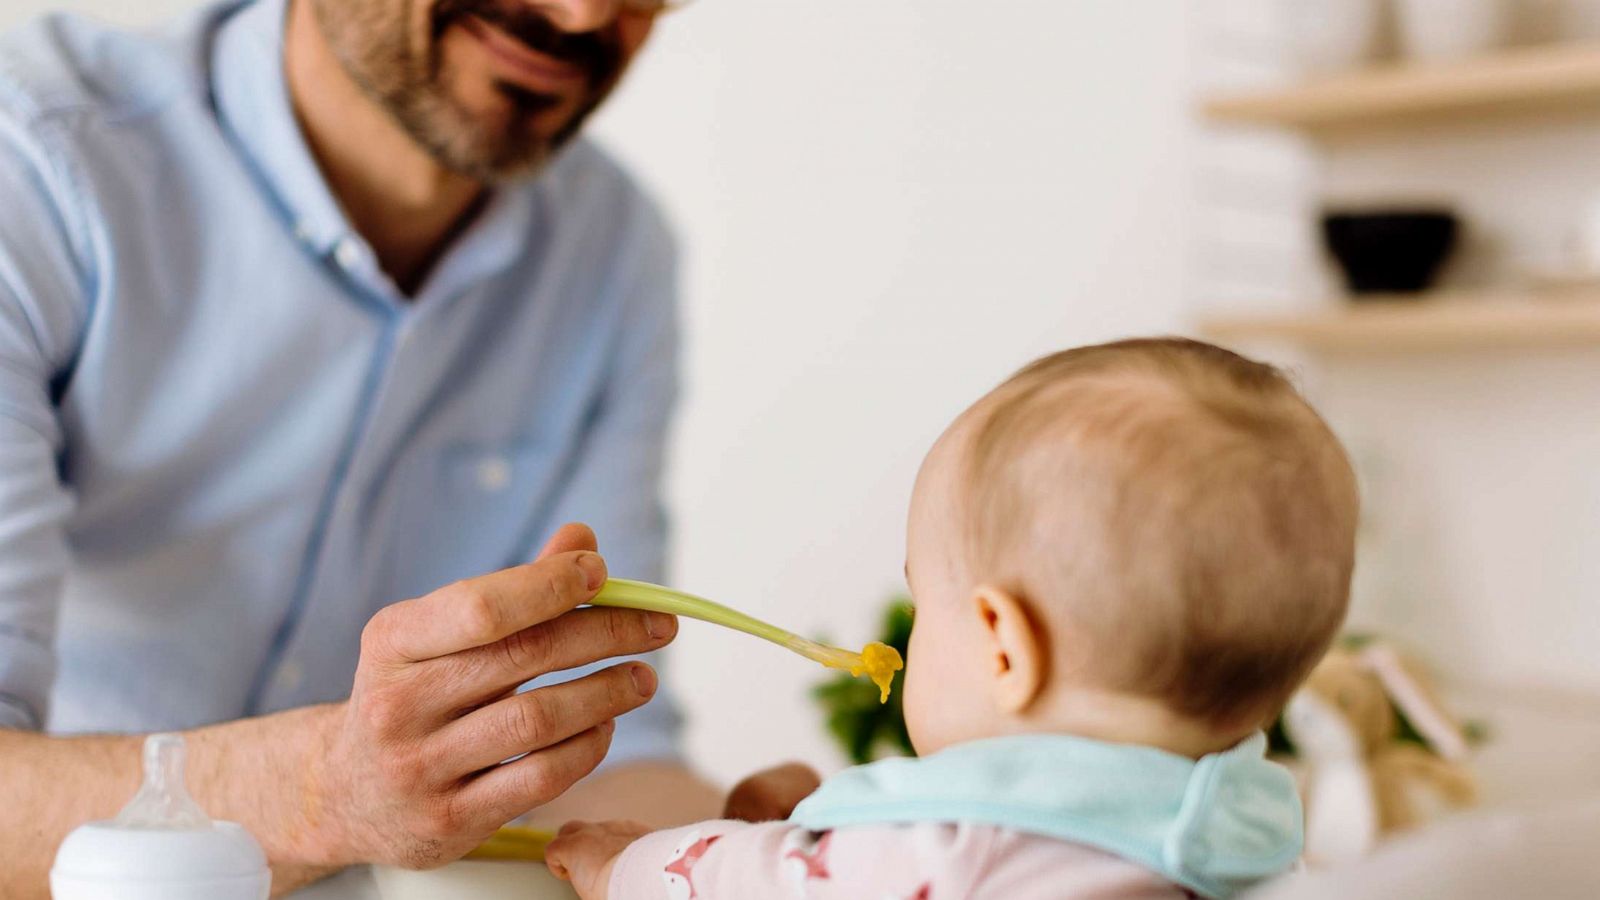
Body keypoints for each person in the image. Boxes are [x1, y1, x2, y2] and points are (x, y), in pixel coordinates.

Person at [0, 0, 736, 893]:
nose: (581, 15)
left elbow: (609, 756)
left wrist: (758, 856)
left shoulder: (616, 255)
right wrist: (320, 791)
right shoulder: (32, 165)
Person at [545, 338, 1362, 899]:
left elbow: (746, 884)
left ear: (1005, 648)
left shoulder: (963, 845)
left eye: (927, 605)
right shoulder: (1256, 849)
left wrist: (624, 864)